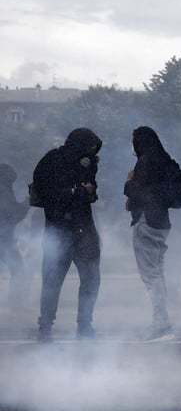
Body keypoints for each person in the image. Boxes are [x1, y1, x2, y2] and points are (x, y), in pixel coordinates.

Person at [33, 128, 102, 342]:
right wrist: (75, 192)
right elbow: (45, 193)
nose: (90, 155)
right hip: (59, 229)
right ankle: (45, 327)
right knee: (52, 281)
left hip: (83, 229)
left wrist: (89, 191)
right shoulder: (51, 161)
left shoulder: (87, 163)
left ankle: (85, 325)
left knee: (91, 279)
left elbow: (91, 190)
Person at [124, 126, 181, 341]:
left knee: (151, 275)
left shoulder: (146, 161)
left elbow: (140, 192)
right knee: (157, 272)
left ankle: (161, 324)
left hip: (147, 220)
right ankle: (162, 322)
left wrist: (129, 182)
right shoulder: (165, 160)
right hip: (161, 222)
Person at [0, 164, 30, 312]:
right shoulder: (3, 189)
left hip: (5, 237)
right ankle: (16, 303)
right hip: (3, 238)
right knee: (18, 270)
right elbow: (12, 214)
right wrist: (27, 203)